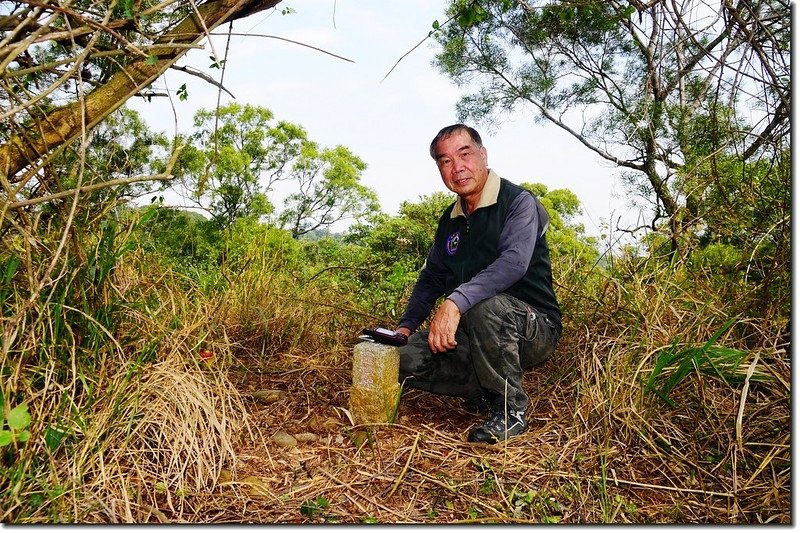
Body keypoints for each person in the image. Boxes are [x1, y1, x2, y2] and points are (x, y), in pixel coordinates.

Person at [394, 124, 561, 444]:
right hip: (474, 333)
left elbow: (513, 263)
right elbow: (432, 277)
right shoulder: (451, 220)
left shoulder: (518, 202)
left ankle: (510, 410)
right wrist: (405, 327)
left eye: (465, 154)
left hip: (533, 325)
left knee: (484, 306)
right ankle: (482, 385)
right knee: (397, 359)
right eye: (445, 161)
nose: (457, 167)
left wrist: (455, 301)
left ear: (483, 155)